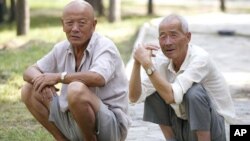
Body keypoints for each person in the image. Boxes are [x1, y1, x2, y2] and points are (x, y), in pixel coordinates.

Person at [21, 1, 130, 141]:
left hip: (110, 127)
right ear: (62, 25)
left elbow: (98, 78)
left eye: (82, 23)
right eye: (69, 23)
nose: (75, 29)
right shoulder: (62, 48)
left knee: (76, 88)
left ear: (94, 25)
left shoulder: (104, 46)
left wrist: (59, 77)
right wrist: (42, 81)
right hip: (74, 120)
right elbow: (29, 71)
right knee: (29, 89)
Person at [129, 14, 235, 141]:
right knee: (155, 88)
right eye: (163, 36)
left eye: (173, 35)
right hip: (184, 126)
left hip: (213, 129)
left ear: (188, 37)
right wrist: (137, 62)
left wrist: (147, 65)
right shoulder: (162, 60)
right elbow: (134, 97)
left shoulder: (200, 59)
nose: (168, 42)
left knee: (194, 93)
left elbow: (171, 96)